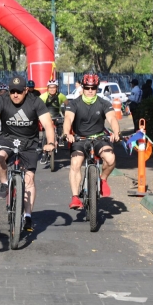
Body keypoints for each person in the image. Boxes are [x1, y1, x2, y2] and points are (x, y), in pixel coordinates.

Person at [0, 76, 55, 232]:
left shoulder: (35, 102)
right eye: (12, 91)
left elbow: (48, 124)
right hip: (7, 139)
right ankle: (5, 183)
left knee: (29, 179)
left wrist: (51, 143)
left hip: (29, 142)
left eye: (19, 92)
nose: (15, 95)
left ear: (26, 90)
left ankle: (27, 215)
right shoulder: (2, 100)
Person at [62, 74, 120, 210]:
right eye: (87, 87)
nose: (90, 90)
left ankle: (103, 179)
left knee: (111, 159)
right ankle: (75, 197)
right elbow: (68, 119)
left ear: (96, 88)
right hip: (80, 139)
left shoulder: (103, 103)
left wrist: (116, 132)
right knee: (75, 163)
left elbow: (112, 119)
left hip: (99, 137)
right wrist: (67, 133)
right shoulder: (74, 103)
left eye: (93, 88)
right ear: (82, 87)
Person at [38, 79, 68, 164]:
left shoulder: (61, 96)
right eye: (50, 88)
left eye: (54, 87)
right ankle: (44, 154)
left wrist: (67, 114)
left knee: (61, 123)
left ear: (57, 88)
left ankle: (60, 138)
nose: (52, 89)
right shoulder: (43, 96)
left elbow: (68, 105)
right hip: (46, 118)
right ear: (47, 88)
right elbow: (38, 106)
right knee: (44, 136)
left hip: (57, 116)